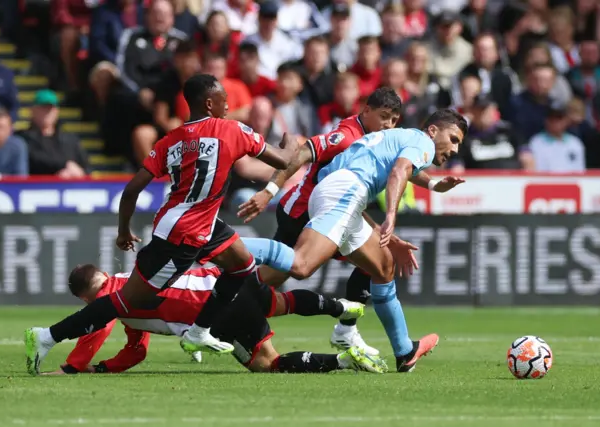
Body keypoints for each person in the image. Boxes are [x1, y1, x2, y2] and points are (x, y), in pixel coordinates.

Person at [24, 74, 299, 375]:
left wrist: (122, 231)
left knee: (243, 265)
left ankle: (198, 330)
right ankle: (47, 336)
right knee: (124, 303)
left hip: (194, 221)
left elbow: (131, 190)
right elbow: (285, 160)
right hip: (183, 235)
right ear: (209, 103)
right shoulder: (232, 130)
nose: (229, 104)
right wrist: (289, 139)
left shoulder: (172, 140)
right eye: (223, 98)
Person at [233, 109, 469, 372]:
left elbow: (404, 168)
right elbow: (401, 171)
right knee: (301, 265)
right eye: (454, 139)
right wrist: (391, 215)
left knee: (384, 267)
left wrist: (435, 186)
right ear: (433, 131)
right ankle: (221, 242)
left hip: (342, 191)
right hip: (345, 192)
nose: (456, 149)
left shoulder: (402, 138)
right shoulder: (422, 142)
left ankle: (404, 351)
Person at [237, 87, 402, 357]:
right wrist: (268, 192)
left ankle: (216, 298)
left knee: (277, 274)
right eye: (383, 116)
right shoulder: (345, 137)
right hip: (304, 213)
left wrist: (376, 227)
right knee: (371, 262)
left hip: (324, 213)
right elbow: (301, 154)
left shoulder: (372, 140)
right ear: (366, 111)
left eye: (394, 121)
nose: (388, 125)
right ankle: (217, 293)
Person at [40, 262, 383, 375]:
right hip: (225, 279)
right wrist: (104, 368)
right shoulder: (134, 274)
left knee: (267, 364)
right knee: (281, 302)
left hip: (213, 313)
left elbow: (96, 328)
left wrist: (74, 367)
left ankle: (343, 361)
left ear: (85, 298)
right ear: (103, 271)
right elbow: (137, 351)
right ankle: (338, 307)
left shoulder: (108, 300)